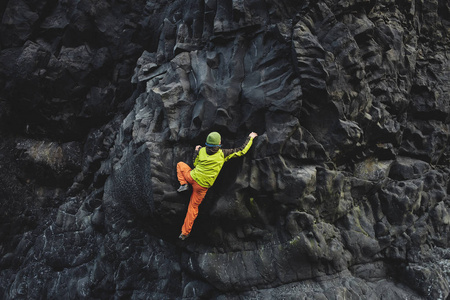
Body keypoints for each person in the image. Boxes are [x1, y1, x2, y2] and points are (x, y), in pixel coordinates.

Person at [176, 131, 258, 240]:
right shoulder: (223, 154)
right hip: (202, 187)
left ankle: (184, 184)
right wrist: (250, 137)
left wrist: (196, 151)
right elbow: (241, 151)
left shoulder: (202, 151)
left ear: (207, 143)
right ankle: (184, 233)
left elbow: (195, 164)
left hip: (192, 178)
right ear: (218, 143)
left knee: (180, 165)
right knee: (193, 208)